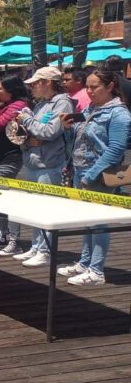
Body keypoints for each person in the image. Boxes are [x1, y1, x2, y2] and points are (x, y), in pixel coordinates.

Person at [58, 68, 130, 285]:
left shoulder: (118, 113)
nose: (88, 91)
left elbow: (116, 149)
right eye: (87, 86)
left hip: (99, 174)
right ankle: (85, 262)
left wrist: (90, 174)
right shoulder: (91, 108)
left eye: (94, 87)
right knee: (88, 222)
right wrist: (68, 129)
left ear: (110, 86)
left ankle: (96, 271)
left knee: (99, 223)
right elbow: (80, 140)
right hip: (82, 169)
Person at [11, 66, 75, 269]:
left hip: (49, 164)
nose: (32, 88)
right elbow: (33, 134)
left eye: (35, 83)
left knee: (47, 209)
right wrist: (30, 137)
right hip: (34, 162)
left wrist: (28, 120)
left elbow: (49, 132)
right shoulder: (42, 104)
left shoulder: (62, 103)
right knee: (35, 208)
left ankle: (45, 251)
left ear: (47, 82)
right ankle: (37, 246)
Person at [0, 76, 31, 256]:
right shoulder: (6, 106)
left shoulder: (18, 106)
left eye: (0, 89)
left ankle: (13, 240)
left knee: (6, 200)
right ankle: (2, 235)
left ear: (11, 90)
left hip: (10, 158)